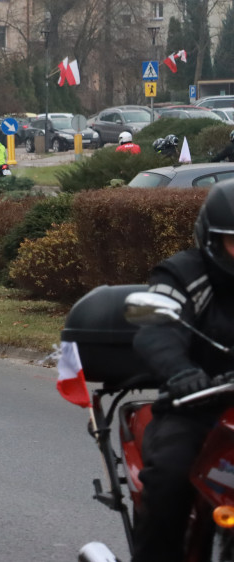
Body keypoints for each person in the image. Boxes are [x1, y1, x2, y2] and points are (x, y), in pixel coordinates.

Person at [130, 179, 234, 562]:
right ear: (210, 239)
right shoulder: (180, 274)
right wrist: (180, 372)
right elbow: (154, 329)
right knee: (170, 481)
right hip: (196, 410)